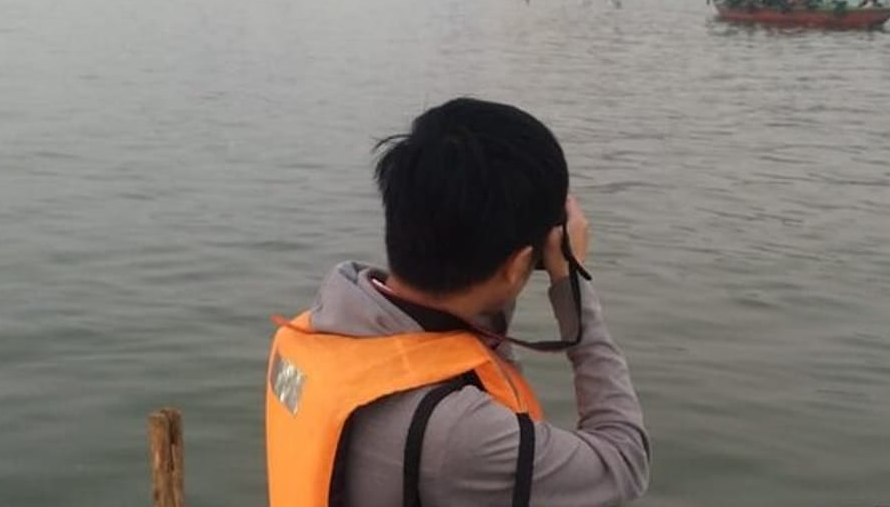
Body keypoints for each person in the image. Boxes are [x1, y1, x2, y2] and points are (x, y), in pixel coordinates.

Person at [265, 98, 650, 507]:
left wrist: (510, 266)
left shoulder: (308, 336)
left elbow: (459, 348)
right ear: (520, 265)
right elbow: (624, 463)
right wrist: (569, 281)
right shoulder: (462, 435)